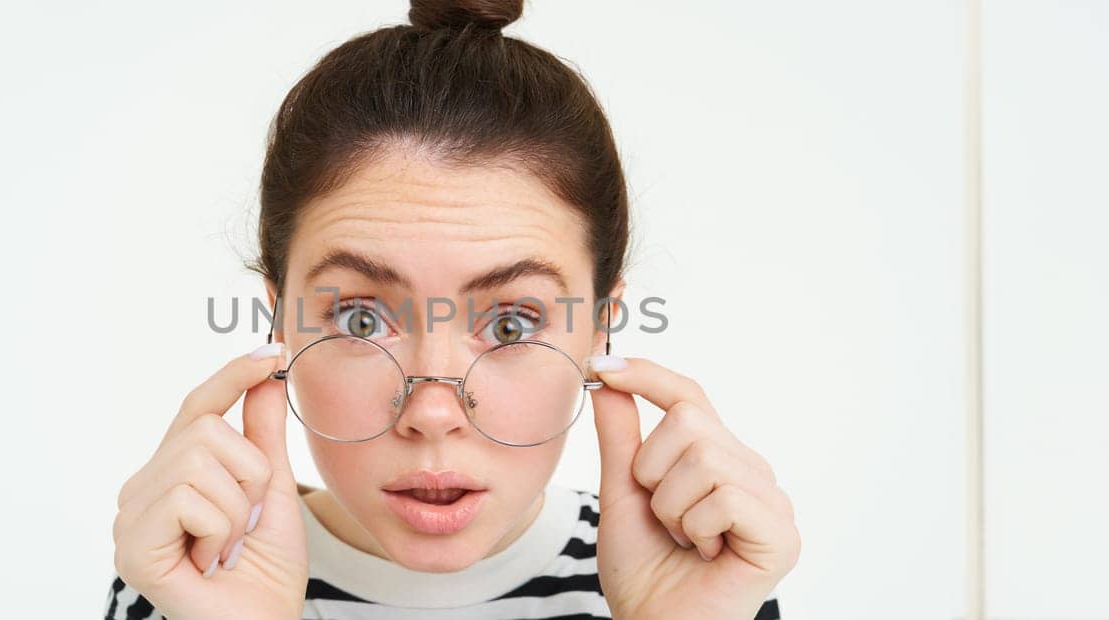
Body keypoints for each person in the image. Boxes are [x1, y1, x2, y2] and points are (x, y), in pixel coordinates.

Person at [106, 0, 800, 617]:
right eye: (360, 320)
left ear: (600, 329)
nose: (433, 413)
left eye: (510, 325)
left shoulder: (705, 576)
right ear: (279, 323)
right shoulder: (184, 577)